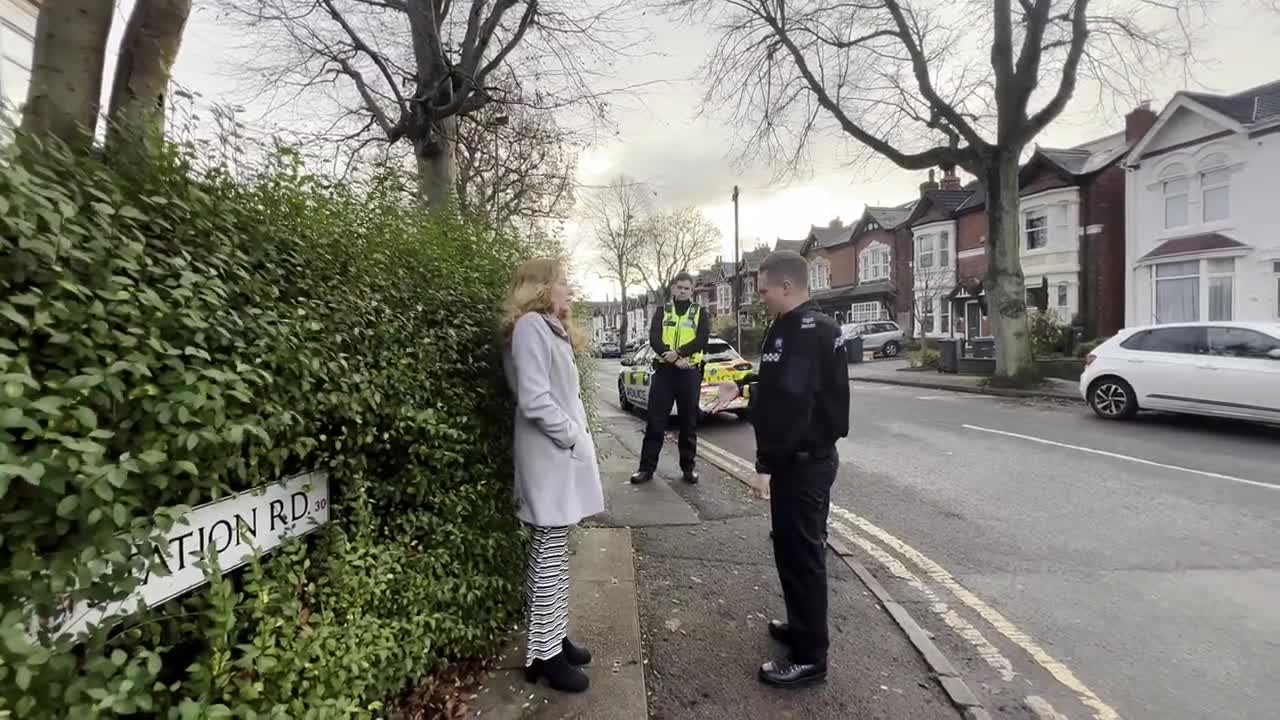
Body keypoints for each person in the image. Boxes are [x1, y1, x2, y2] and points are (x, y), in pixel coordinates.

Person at [713, 250, 850, 689]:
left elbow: (792, 407)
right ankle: (800, 625)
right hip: (799, 461)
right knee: (789, 550)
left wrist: (764, 466)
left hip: (802, 463)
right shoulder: (791, 327)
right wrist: (744, 382)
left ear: (787, 287)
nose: (762, 297)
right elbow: (778, 383)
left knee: (803, 556)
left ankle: (810, 657)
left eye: (765, 289)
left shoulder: (806, 331)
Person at [501, 258, 606, 694]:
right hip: (548, 455)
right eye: (563, 282)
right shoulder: (529, 327)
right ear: (542, 286)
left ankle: (552, 639)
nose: (570, 290)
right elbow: (535, 399)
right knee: (548, 556)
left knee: (555, 557)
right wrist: (572, 438)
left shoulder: (547, 326)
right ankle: (544, 656)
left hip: (557, 455)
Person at [629, 271, 711, 485]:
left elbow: (702, 339)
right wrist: (672, 357)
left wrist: (680, 353)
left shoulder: (700, 312)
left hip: (689, 373)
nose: (682, 291)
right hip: (665, 372)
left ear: (691, 290)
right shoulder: (662, 311)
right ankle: (645, 469)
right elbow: (654, 338)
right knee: (655, 422)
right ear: (673, 288)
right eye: (679, 287)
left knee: (688, 423)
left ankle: (688, 468)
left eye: (686, 288)